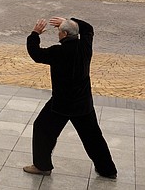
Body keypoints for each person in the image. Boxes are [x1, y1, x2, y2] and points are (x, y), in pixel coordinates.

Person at [24, 16, 117, 179]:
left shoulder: (57, 51)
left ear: (65, 34)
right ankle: (107, 170)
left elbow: (36, 54)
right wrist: (70, 21)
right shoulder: (85, 47)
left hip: (61, 104)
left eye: (60, 31)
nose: (58, 34)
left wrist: (35, 34)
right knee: (93, 138)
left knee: (42, 128)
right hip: (83, 104)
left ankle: (42, 166)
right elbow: (88, 28)